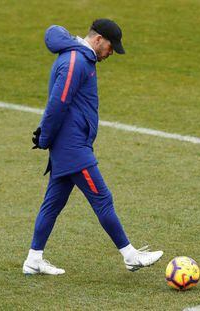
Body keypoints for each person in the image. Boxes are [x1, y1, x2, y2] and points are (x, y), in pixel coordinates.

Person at [23, 19, 163, 275]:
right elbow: (58, 102)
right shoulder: (76, 62)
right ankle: (130, 255)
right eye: (111, 47)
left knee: (53, 203)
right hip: (73, 149)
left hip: (71, 145)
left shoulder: (80, 59)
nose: (111, 53)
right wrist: (44, 136)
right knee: (102, 199)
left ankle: (33, 260)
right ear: (98, 40)